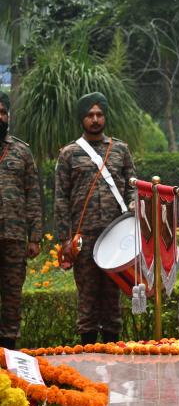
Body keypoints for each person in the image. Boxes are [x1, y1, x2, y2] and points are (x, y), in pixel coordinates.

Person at [55, 93, 137, 345]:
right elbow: (61, 198)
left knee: (113, 297)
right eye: (90, 115)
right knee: (87, 298)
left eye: (99, 114)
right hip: (84, 237)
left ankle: (113, 350)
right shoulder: (69, 154)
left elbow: (132, 186)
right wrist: (64, 240)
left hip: (116, 234)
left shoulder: (120, 150)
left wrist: (134, 203)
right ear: (82, 119)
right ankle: (87, 353)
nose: (95, 119)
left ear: (105, 117)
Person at [0, 93, 42, 350]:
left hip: (14, 237)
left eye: (3, 112)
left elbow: (33, 196)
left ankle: (8, 352)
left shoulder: (21, 151)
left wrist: (34, 237)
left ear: (8, 116)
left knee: (12, 297)